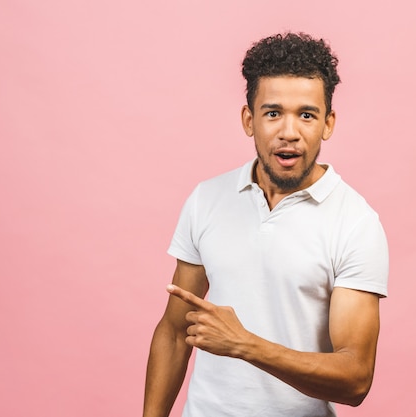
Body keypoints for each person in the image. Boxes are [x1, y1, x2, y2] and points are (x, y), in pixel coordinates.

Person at [143, 32, 389, 417]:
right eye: (273, 113)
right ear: (249, 119)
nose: (288, 132)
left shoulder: (355, 223)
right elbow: (175, 333)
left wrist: (244, 344)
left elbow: (356, 378)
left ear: (328, 123)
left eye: (306, 115)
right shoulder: (207, 199)